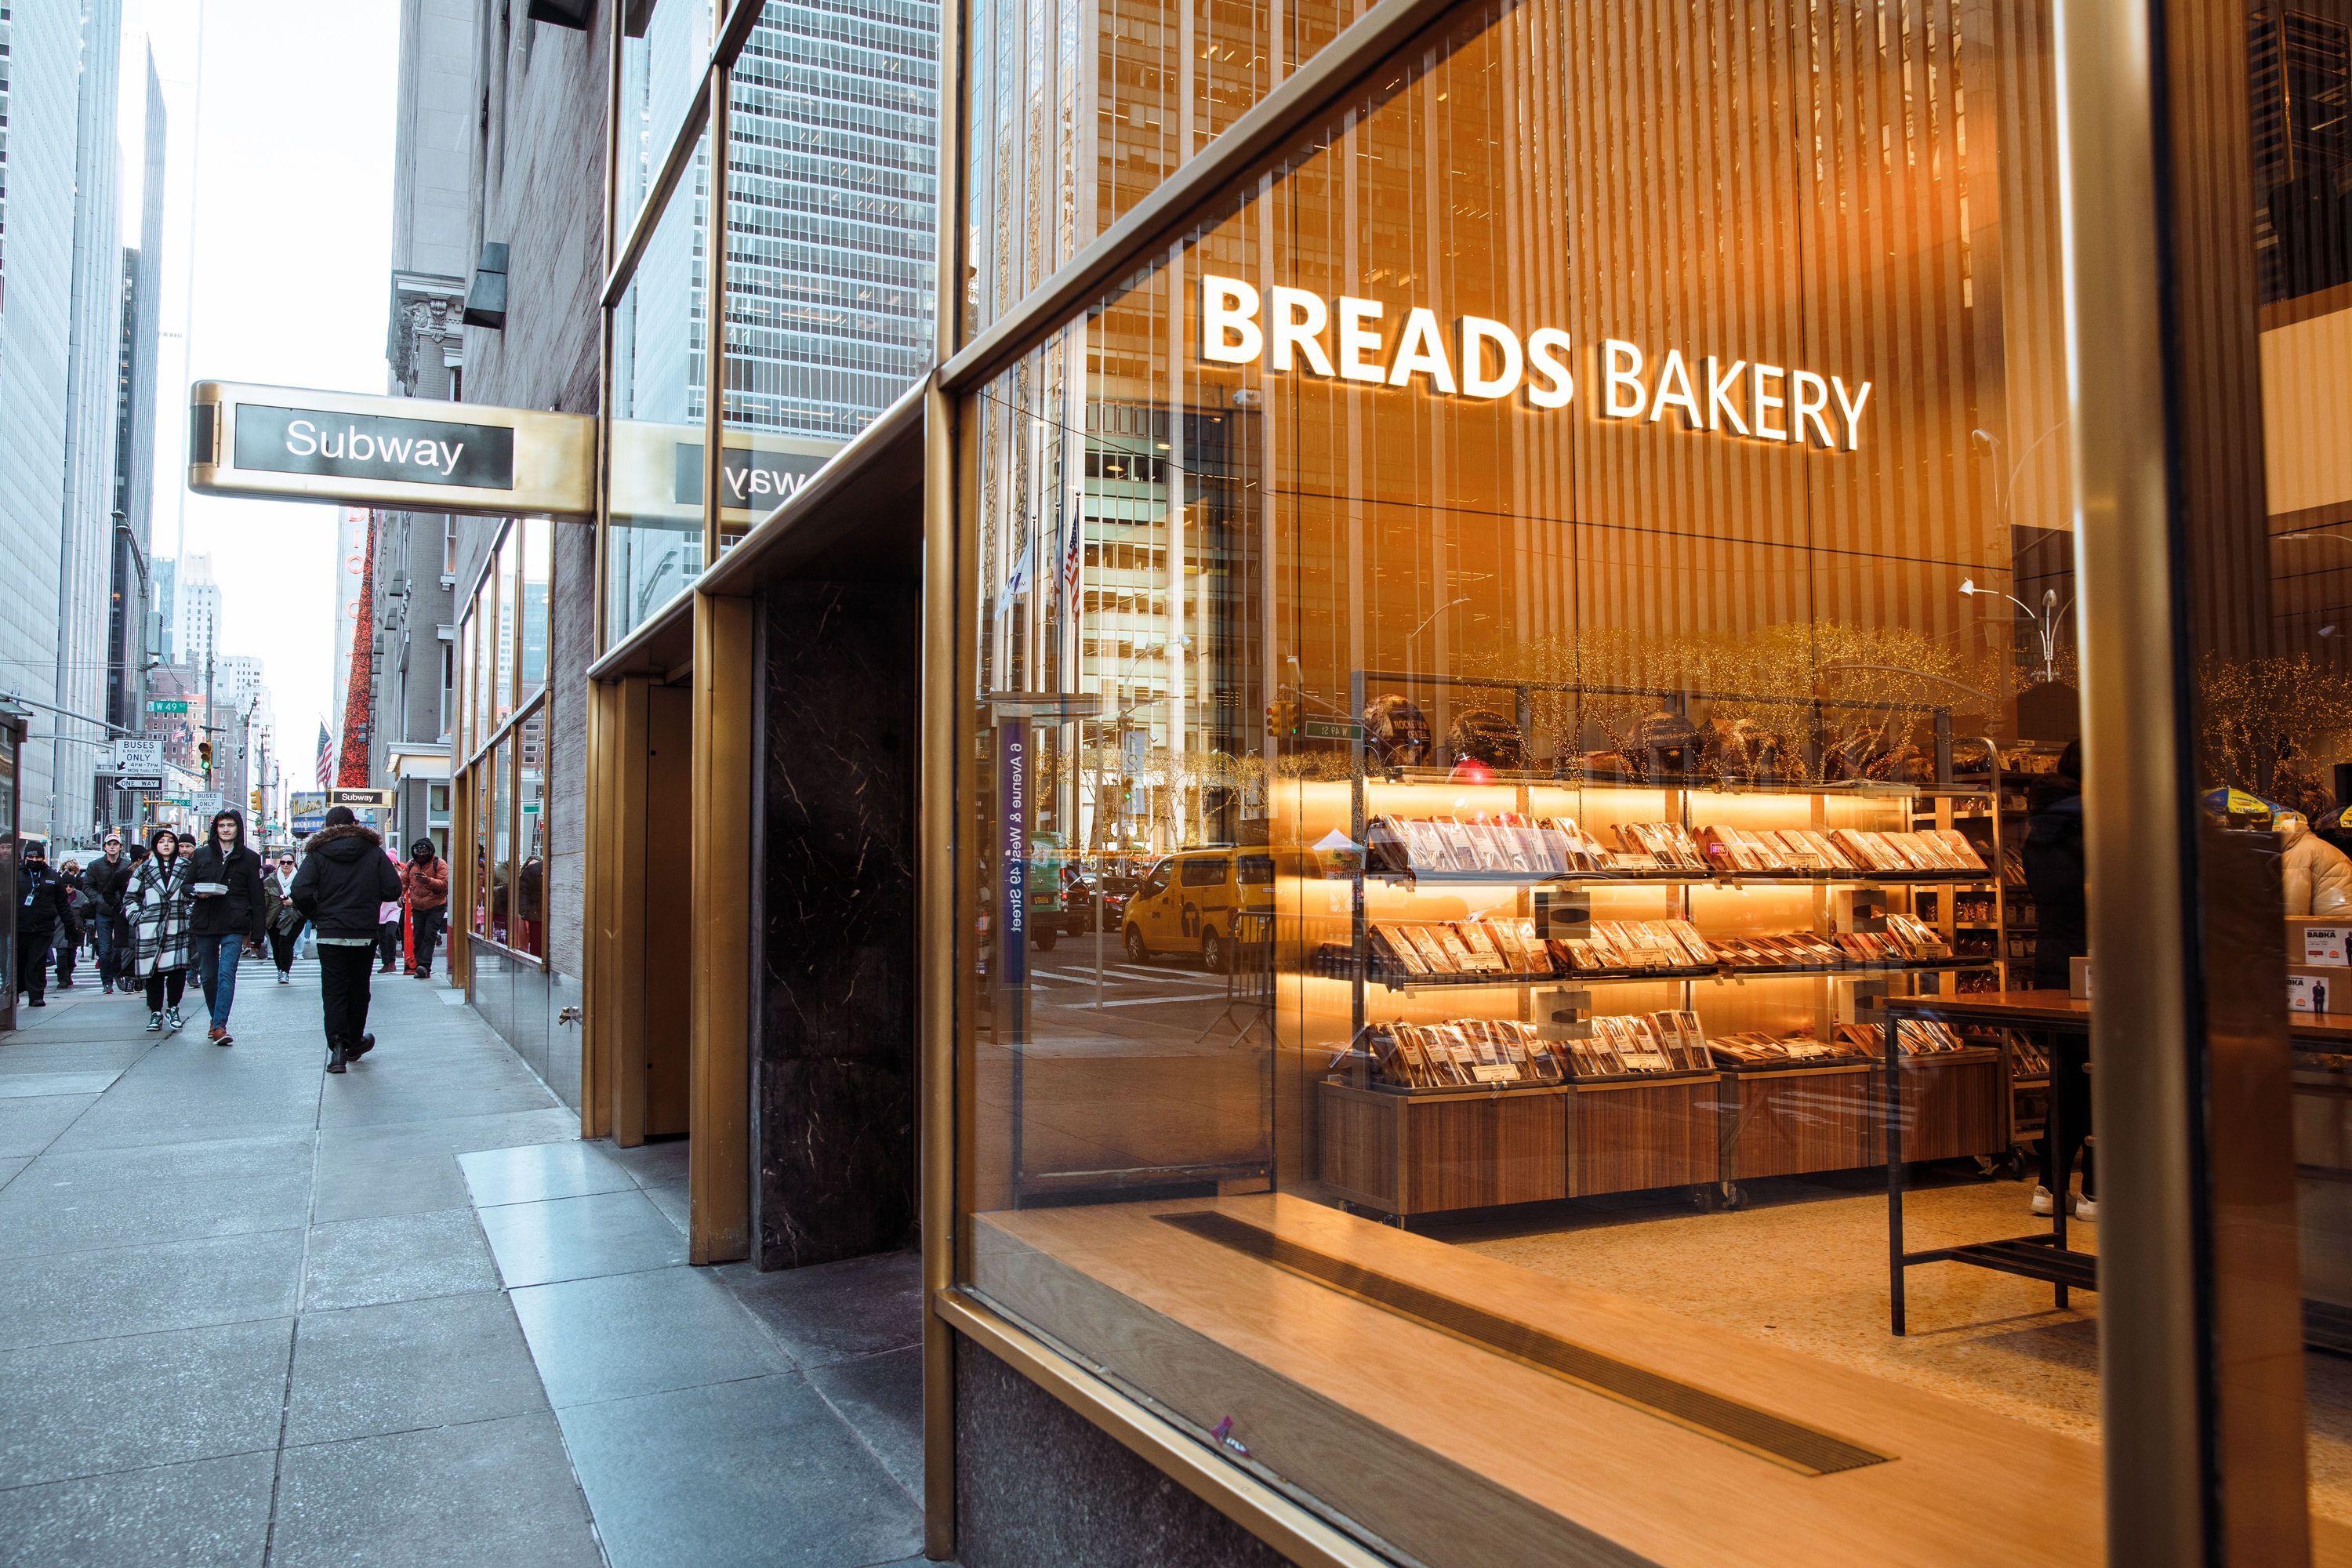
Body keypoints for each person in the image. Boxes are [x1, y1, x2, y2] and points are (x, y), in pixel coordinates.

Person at [2022, 739, 2094, 1221]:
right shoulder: (2094, 826)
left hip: (2053, 959)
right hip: (2098, 960)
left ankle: (2049, 1186)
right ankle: (2095, 1191)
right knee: (2104, 1078)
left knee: (2068, 1075)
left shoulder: (2040, 829)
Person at [291, 806, 401, 1074]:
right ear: (355, 823)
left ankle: (338, 1047)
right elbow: (392, 890)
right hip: (363, 932)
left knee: (334, 990)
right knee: (359, 988)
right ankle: (354, 1042)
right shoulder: (372, 852)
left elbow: (299, 890)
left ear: (326, 827)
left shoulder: (317, 854)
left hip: (330, 934)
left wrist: (318, 914)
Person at [188, 808, 267, 1047]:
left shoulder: (250, 858)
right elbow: (186, 885)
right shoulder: (201, 855)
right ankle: (215, 1020)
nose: (225, 829)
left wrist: (257, 933)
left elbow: (257, 898)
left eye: (230, 825)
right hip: (205, 920)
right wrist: (196, 892)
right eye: (222, 825)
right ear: (215, 828)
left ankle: (220, 1025)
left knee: (226, 973)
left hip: (234, 922)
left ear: (238, 828)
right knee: (208, 975)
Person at [125, 828, 195, 1031]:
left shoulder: (187, 867)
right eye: (161, 841)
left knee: (178, 970)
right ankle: (156, 1012)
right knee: (152, 971)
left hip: (177, 923)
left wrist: (190, 914)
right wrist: (137, 917)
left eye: (170, 841)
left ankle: (173, 1008)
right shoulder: (145, 868)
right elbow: (130, 897)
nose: (166, 844)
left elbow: (195, 893)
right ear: (155, 845)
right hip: (151, 926)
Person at [14, 842, 76, 1009]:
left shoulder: (53, 876)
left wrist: (70, 927)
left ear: (43, 857)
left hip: (43, 928)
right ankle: (16, 990)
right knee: (18, 962)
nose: (34, 860)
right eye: (31, 857)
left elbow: (63, 904)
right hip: (19, 927)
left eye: (38, 857)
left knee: (37, 962)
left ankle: (36, 995)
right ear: (25, 857)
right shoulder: (15, 874)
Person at [85, 834, 131, 993]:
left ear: (120, 847)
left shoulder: (128, 865)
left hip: (122, 911)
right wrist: (99, 900)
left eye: (115, 844)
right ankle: (107, 982)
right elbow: (88, 886)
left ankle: (118, 973)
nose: (112, 847)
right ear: (104, 847)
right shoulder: (94, 865)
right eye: (109, 844)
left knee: (121, 948)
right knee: (104, 950)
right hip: (103, 912)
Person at [402, 839, 449, 978]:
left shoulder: (439, 864)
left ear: (430, 852)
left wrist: (428, 880)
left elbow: (445, 884)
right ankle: (420, 965)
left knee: (429, 935)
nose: (421, 856)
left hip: (436, 905)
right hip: (418, 907)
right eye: (419, 853)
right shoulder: (411, 864)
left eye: (424, 853)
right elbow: (403, 881)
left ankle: (424, 966)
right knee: (418, 936)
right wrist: (399, 896)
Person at [262, 851, 305, 982]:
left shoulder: (301, 880)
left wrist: (294, 902)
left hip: (294, 917)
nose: (286, 865)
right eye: (283, 862)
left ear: (294, 864)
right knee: (276, 945)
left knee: (286, 943)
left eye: (289, 862)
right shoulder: (270, 880)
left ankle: (285, 972)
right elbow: (264, 901)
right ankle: (280, 970)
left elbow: (308, 898)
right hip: (274, 917)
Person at [53, 862, 93, 989]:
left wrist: (90, 926)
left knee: (71, 956)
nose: (68, 889)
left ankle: (68, 974)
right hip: (60, 929)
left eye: (71, 886)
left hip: (76, 930)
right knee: (62, 954)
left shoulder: (81, 897)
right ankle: (63, 978)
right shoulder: (56, 897)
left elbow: (88, 912)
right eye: (66, 886)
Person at [376, 844, 405, 974]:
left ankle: (392, 962)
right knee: (382, 937)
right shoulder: (378, 874)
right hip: (381, 909)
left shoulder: (399, 875)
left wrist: (401, 897)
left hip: (394, 908)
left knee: (390, 934)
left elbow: (403, 888)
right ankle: (386, 962)